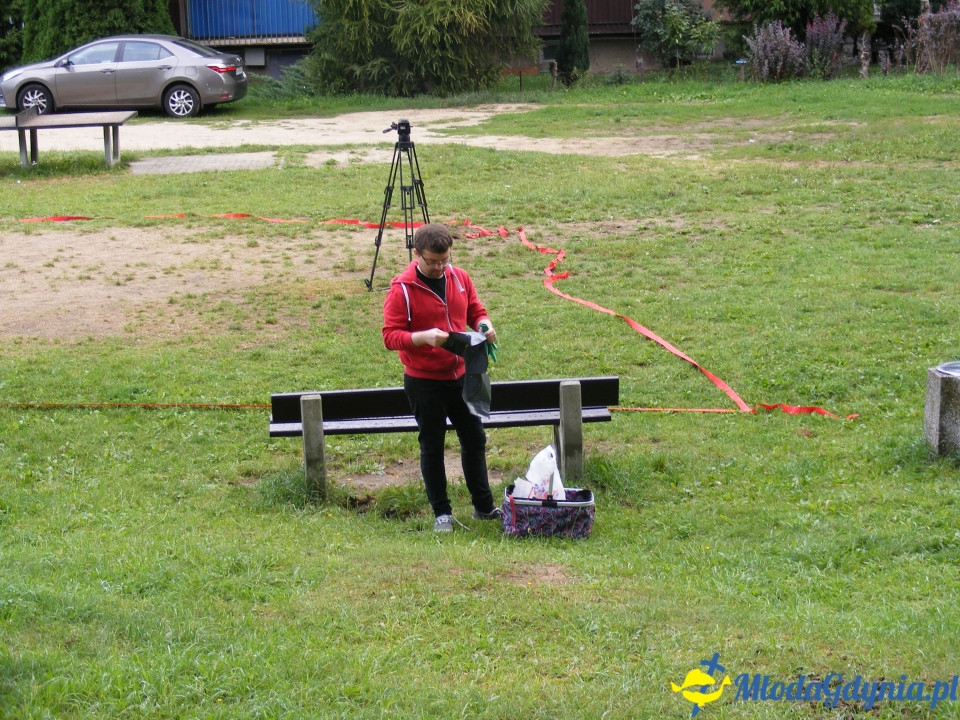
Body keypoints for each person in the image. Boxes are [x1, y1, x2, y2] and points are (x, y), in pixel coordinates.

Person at [382, 223, 502, 532]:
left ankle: (484, 507)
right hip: (424, 382)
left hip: (464, 375)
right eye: (433, 261)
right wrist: (422, 337)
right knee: (432, 445)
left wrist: (485, 325)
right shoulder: (402, 289)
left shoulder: (459, 277)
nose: (440, 267)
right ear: (416, 254)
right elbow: (390, 336)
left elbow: (475, 310)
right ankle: (442, 513)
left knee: (474, 439)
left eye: (445, 259)